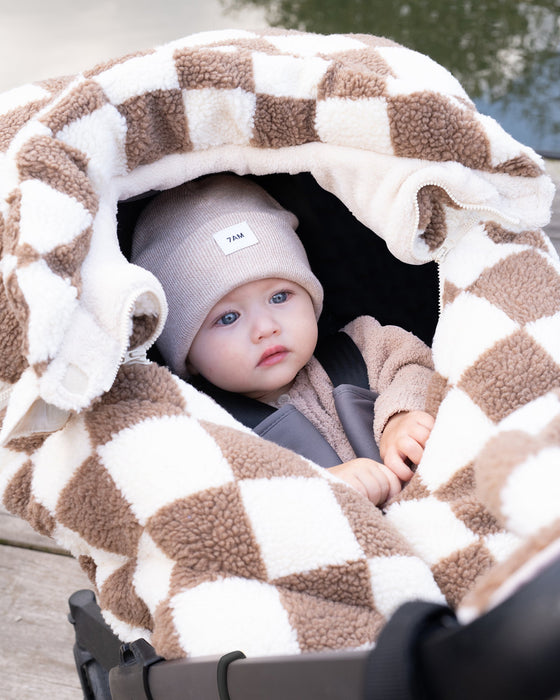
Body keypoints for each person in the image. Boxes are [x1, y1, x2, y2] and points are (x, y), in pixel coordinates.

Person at [131, 174, 435, 506]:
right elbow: (225, 509)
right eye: (228, 318)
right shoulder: (204, 431)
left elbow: (416, 368)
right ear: (187, 356)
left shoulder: (366, 347)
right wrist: (315, 490)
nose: (265, 327)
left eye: (280, 297)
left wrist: (401, 418)